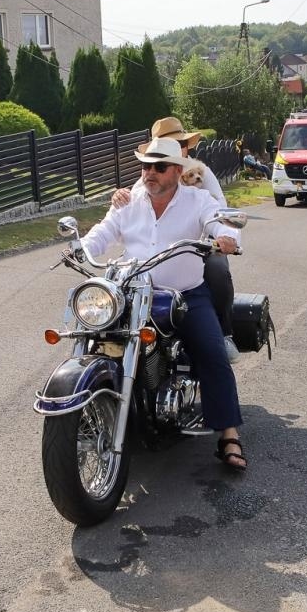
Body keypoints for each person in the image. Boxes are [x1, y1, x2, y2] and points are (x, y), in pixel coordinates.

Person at [79, 136, 248, 471]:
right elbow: (103, 232)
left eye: (159, 166)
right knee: (94, 335)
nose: (149, 172)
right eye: (145, 165)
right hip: (131, 291)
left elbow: (220, 221)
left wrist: (228, 238)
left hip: (184, 293)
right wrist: (81, 247)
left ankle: (228, 433)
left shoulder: (197, 199)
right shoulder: (128, 199)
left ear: (176, 171)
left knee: (212, 354)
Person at [110, 117, 239, 361]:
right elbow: (136, 198)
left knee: (218, 270)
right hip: (157, 248)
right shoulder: (153, 170)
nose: (177, 147)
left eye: (180, 142)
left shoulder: (202, 171)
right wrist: (119, 196)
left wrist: (223, 236)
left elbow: (220, 209)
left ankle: (223, 332)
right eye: (169, 142)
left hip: (199, 243)